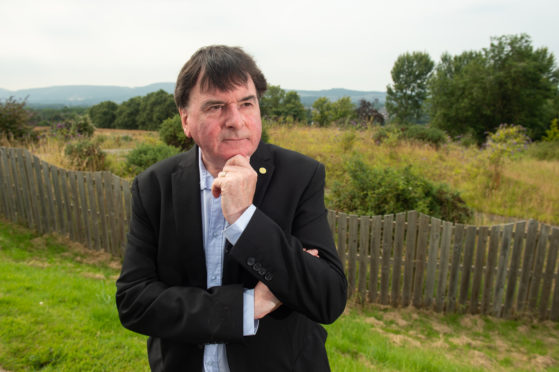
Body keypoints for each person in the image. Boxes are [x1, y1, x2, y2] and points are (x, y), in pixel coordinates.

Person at [116, 45, 347, 372]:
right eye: (215, 106)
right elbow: (134, 302)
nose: (236, 121)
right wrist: (248, 306)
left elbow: (328, 298)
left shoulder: (299, 176)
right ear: (186, 120)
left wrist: (244, 219)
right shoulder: (154, 186)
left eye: (247, 103)